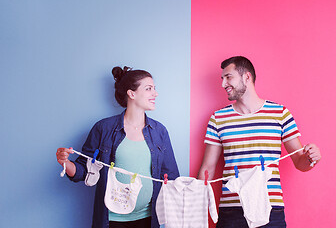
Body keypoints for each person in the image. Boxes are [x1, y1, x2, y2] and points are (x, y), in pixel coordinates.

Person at [197, 56, 321, 228]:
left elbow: (300, 162)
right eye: (222, 78)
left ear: (247, 77)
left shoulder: (280, 114)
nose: (223, 84)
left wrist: (311, 157)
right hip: (231, 211)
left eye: (228, 77)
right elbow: (207, 168)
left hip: (270, 209)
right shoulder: (218, 118)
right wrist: (195, 203)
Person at [56, 66, 180, 228]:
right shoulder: (104, 128)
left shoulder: (159, 131)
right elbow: (84, 172)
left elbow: (171, 177)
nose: (155, 94)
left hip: (149, 219)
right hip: (112, 220)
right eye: (149, 89)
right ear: (132, 93)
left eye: (154, 89)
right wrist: (65, 163)